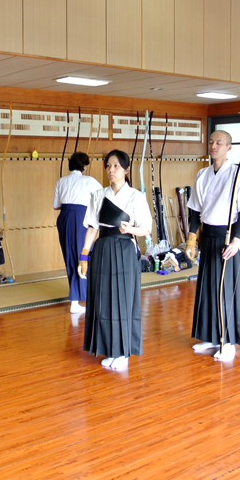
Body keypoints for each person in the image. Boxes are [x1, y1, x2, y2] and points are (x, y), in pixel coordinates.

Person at [78, 150, 152, 371]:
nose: (111, 170)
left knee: (122, 300)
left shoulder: (136, 196)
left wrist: (131, 229)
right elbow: (93, 227)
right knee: (102, 299)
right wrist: (84, 256)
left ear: (127, 170)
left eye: (116, 166)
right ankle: (109, 349)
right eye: (108, 166)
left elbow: (146, 228)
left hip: (125, 250)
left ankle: (122, 353)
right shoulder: (98, 195)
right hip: (102, 249)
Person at [185, 130, 240, 361]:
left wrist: (237, 239)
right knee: (208, 286)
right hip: (208, 235)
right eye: (211, 142)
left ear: (229, 147)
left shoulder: (238, 173)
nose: (213, 146)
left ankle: (228, 341)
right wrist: (191, 240)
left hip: (228, 236)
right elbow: (195, 210)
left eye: (219, 143)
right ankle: (211, 336)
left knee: (226, 288)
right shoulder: (202, 174)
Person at [53, 152, 103, 315]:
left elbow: (56, 205)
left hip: (64, 218)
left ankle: (78, 298)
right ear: (84, 166)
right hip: (80, 217)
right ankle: (77, 301)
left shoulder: (61, 181)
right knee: (82, 256)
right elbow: (104, 197)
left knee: (71, 257)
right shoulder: (89, 181)